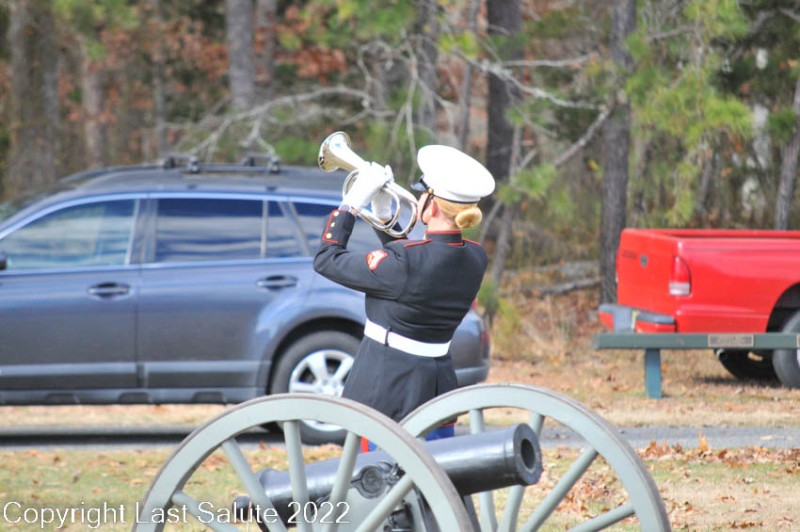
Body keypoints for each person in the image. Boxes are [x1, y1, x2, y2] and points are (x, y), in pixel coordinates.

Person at [313, 144, 495, 451]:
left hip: (387, 389)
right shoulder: (476, 257)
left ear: (432, 208)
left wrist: (350, 205)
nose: (418, 198)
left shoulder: (407, 262)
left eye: (423, 194)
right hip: (436, 386)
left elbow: (326, 259)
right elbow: (415, 264)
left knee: (375, 474)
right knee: (434, 468)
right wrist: (385, 216)